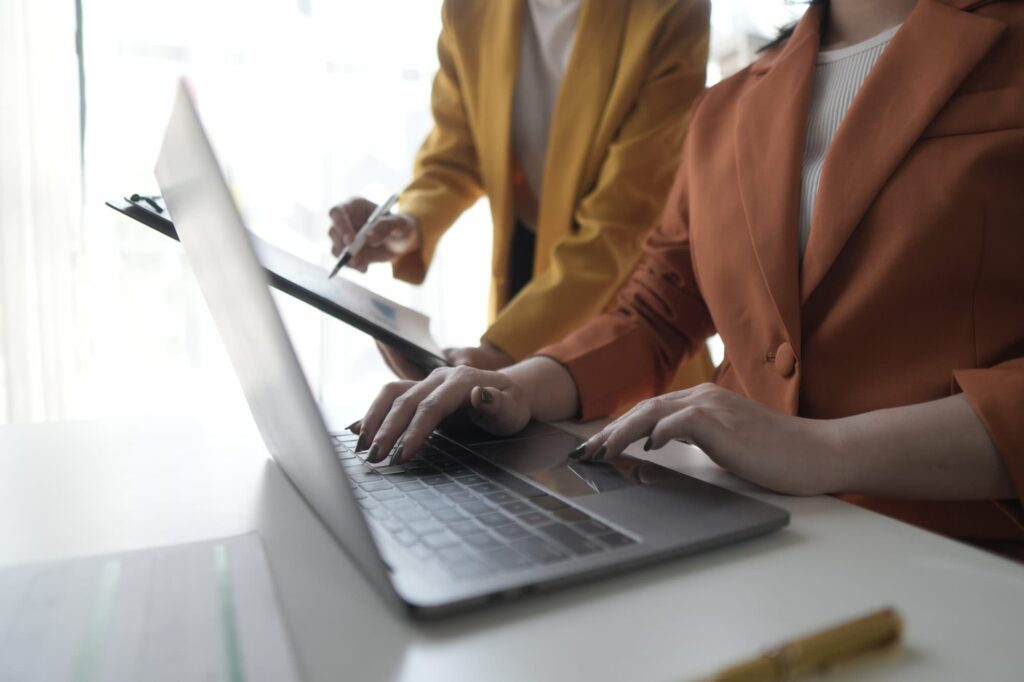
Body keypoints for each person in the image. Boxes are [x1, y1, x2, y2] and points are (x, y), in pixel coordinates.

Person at [351, 0, 1024, 559]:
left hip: (959, 553)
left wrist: (826, 449)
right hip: (737, 532)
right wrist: (515, 387)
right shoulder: (729, 105)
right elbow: (658, 309)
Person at [327, 0, 713, 396]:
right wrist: (406, 226)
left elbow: (626, 219)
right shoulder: (468, 9)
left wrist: (502, 348)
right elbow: (455, 154)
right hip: (523, 291)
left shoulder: (669, 11)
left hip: (628, 323)